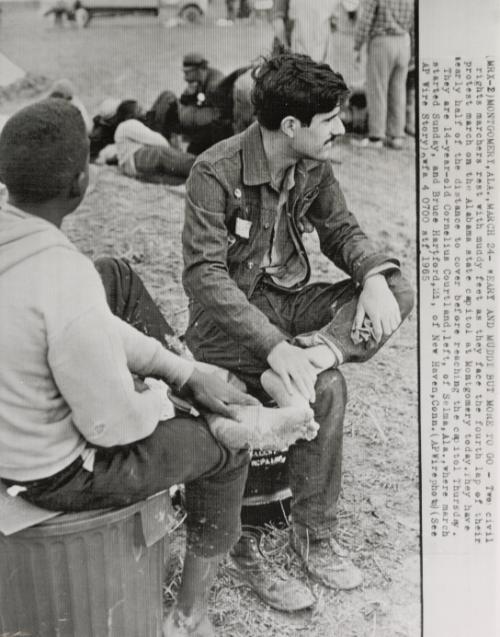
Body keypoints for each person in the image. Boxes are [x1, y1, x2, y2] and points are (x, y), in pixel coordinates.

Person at [0, 99, 316, 636]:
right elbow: (114, 427)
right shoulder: (63, 278)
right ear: (81, 183)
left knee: (113, 276)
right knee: (226, 450)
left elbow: (89, 320)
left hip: (14, 431)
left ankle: (204, 391)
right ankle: (190, 614)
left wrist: (181, 371)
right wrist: (157, 397)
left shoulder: (32, 252)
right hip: (50, 476)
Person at [182, 52, 414, 611]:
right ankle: (252, 542)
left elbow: (343, 233)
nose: (341, 128)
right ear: (291, 127)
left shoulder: (314, 167)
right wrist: (272, 347)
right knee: (329, 390)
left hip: (291, 312)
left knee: (401, 287)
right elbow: (204, 277)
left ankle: (314, 535)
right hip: (228, 328)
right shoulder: (215, 170)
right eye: (331, 118)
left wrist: (372, 276)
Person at [353, 0, 414, 149]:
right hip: (403, 41)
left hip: (382, 41)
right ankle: (396, 135)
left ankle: (376, 137)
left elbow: (366, 20)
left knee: (377, 90)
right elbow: (414, 22)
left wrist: (357, 44)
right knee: (398, 91)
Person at [114, 99, 196, 184]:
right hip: (136, 160)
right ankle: (202, 166)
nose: (144, 111)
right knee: (162, 153)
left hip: (133, 169)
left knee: (174, 178)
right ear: (130, 116)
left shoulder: (122, 129)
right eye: (139, 109)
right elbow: (159, 141)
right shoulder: (128, 124)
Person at [178, 53, 231, 155]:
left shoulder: (215, 84)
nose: (185, 78)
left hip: (219, 127)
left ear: (199, 70)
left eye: (188, 73)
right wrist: (189, 96)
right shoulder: (198, 81)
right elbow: (184, 101)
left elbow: (217, 113)